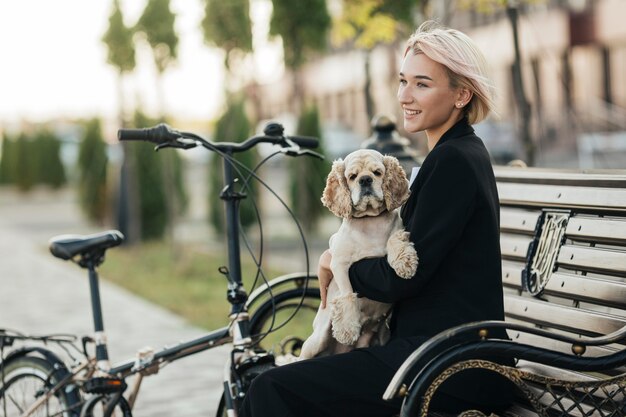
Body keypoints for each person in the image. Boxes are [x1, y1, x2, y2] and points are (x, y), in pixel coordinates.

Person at [240, 20, 513, 417]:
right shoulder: (454, 154)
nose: (405, 95)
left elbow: (404, 276)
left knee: (272, 388)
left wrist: (338, 264)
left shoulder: (454, 160)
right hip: (435, 352)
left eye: (422, 84)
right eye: (403, 81)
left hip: (451, 364)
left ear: (461, 95)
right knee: (282, 381)